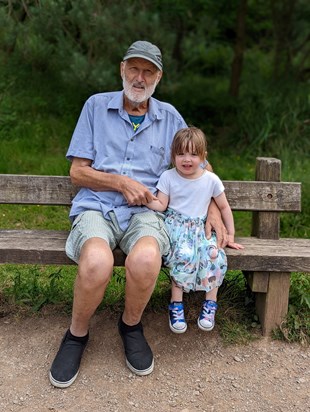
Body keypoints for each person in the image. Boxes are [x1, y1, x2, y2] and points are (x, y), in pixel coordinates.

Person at [49, 40, 227, 388]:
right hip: (97, 207)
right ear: (122, 69)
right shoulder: (95, 107)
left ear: (158, 77)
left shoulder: (170, 117)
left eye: (148, 71)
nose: (140, 77)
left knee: (147, 258)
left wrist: (214, 210)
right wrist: (118, 182)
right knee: (97, 262)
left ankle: (130, 326)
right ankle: (76, 335)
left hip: (147, 213)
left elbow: (200, 170)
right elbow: (77, 173)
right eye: (134, 69)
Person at [146, 127, 244, 334]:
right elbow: (161, 205)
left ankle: (210, 304)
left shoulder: (211, 180)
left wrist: (231, 234)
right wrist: (145, 199)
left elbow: (224, 207)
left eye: (193, 154)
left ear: (203, 157)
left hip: (201, 228)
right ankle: (176, 304)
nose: (187, 159)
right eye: (181, 154)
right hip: (177, 228)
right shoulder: (168, 177)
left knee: (214, 254)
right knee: (184, 255)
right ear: (173, 156)